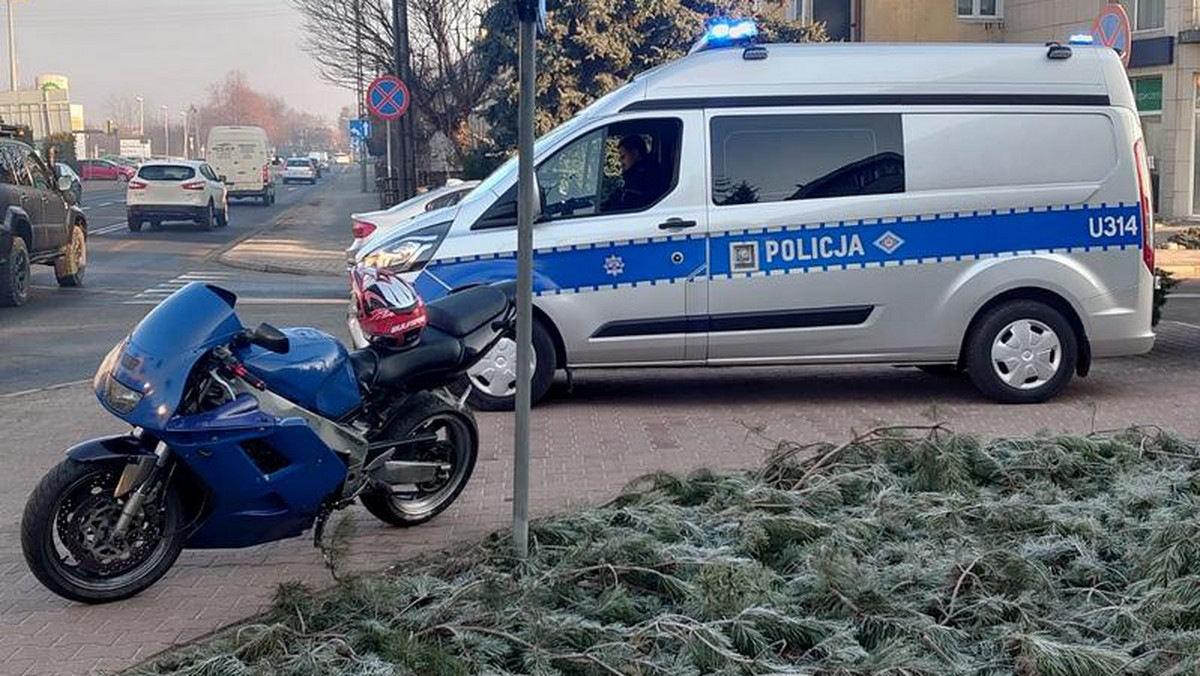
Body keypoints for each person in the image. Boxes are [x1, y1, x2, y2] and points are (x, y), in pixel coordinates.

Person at [606, 135, 669, 212]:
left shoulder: (644, 177)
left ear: (635, 153)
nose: (620, 163)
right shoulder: (639, 172)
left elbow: (627, 204)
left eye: (623, 157)